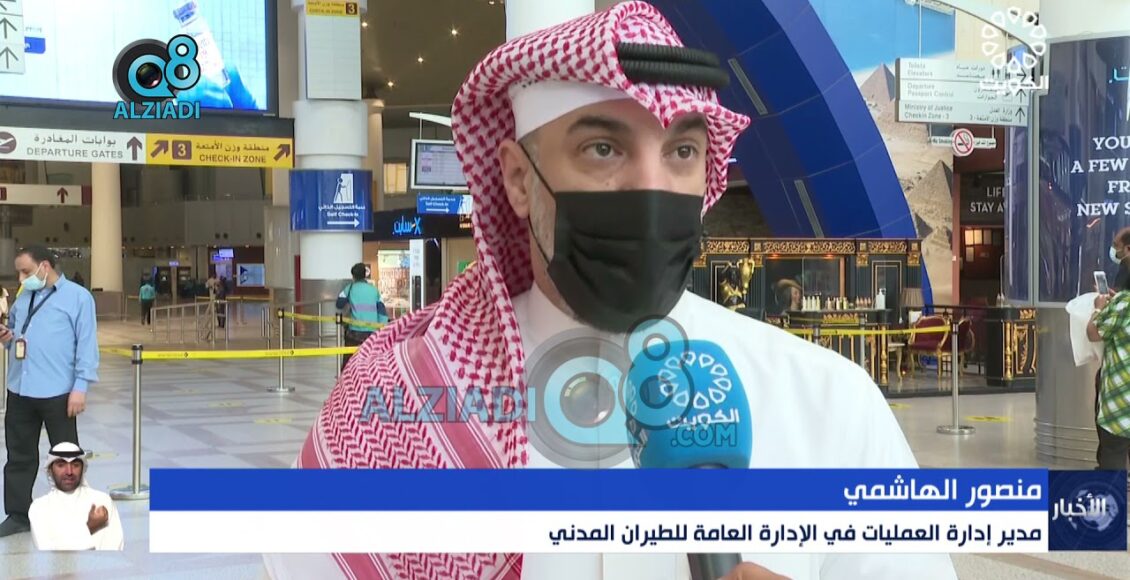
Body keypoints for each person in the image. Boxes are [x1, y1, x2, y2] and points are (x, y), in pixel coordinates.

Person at [264, 4, 956, 579]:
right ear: (518, 178)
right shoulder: (400, 404)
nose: (651, 191)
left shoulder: (829, 405)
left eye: (681, 152)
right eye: (603, 149)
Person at [0, 246, 99, 538]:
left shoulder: (79, 298)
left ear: (45, 266)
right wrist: (7, 337)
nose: (21, 278)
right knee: (19, 455)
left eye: (26, 272)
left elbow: (87, 345)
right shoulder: (24, 297)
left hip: (59, 392)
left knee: (65, 458)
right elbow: (17, 336)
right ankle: (18, 514)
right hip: (20, 389)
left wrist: (80, 387)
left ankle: (70, 515)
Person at [28, 442, 123, 551]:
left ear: (83, 469)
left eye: (75, 465)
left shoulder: (102, 501)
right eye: (61, 465)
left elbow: (113, 551)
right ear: (50, 470)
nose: (69, 472)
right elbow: (47, 551)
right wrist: (89, 528)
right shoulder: (39, 507)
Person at [1086, 268, 1130, 470]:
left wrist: (1098, 308)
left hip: (1121, 401)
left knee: (1113, 455)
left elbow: (1093, 333)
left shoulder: (1124, 303)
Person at [336, 263, 388, 370]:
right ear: (365, 275)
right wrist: (383, 327)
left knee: (349, 359)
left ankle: (347, 376)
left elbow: (339, 304)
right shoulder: (374, 290)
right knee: (370, 359)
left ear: (353, 276)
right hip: (372, 332)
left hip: (354, 332)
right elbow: (382, 310)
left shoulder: (350, 288)